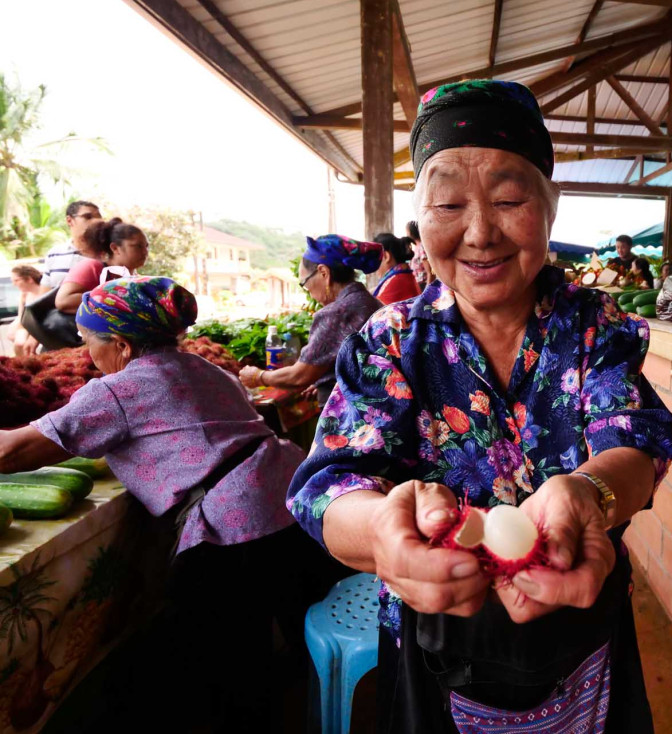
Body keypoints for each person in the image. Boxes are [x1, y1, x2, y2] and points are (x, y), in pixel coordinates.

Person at [286, 79, 672, 734]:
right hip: (432, 629)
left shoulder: (592, 324)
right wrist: (385, 529)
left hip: (580, 621)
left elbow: (632, 441)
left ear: (548, 210)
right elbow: (328, 488)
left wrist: (589, 493)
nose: (479, 233)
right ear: (422, 220)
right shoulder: (390, 340)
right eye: (447, 205)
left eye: (509, 199)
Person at [0, 277, 347, 731]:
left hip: (234, 526)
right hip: (291, 501)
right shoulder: (203, 367)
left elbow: (13, 451)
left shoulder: (116, 391)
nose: (88, 354)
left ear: (121, 345)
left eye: (88, 342)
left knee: (226, 666)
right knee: (296, 638)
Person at [239, 234, 384, 404]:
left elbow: (299, 376)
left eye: (304, 283)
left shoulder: (336, 313)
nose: (307, 290)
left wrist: (258, 376)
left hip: (353, 414)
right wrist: (327, 379)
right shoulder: (371, 302)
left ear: (324, 273)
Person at [55, 218, 149, 314]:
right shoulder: (93, 267)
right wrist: (115, 299)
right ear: (115, 248)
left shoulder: (134, 279)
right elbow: (63, 301)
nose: (145, 252)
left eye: (146, 246)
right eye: (138, 246)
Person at [42, 200, 101, 287]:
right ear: (69, 221)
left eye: (99, 218)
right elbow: (45, 292)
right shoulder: (54, 254)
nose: (96, 222)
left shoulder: (110, 253)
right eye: (88, 217)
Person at [8, 265, 50, 355]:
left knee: (22, 344)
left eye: (16, 280)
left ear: (29, 279)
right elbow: (21, 317)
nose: (14, 284)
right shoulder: (24, 295)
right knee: (20, 344)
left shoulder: (45, 292)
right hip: (28, 326)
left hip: (42, 327)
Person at [373, 232, 421, 304]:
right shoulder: (404, 275)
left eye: (375, 258)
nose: (374, 267)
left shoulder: (396, 281)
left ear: (386, 256)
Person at [406, 220, 433, 289]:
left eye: (407, 231)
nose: (406, 234)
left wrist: (427, 288)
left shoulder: (421, 247)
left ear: (412, 232)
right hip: (418, 284)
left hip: (423, 284)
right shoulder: (417, 247)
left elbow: (429, 271)